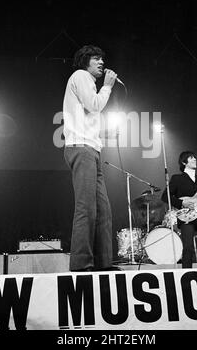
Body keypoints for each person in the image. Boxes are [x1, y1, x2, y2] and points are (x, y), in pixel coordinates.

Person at [63, 44, 118, 272]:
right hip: (81, 148)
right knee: (86, 209)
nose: (102, 63)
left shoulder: (89, 83)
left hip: (92, 149)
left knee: (103, 211)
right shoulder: (81, 75)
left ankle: (103, 264)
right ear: (85, 61)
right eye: (96, 59)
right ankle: (81, 264)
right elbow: (94, 105)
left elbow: (89, 112)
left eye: (102, 59)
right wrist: (107, 87)